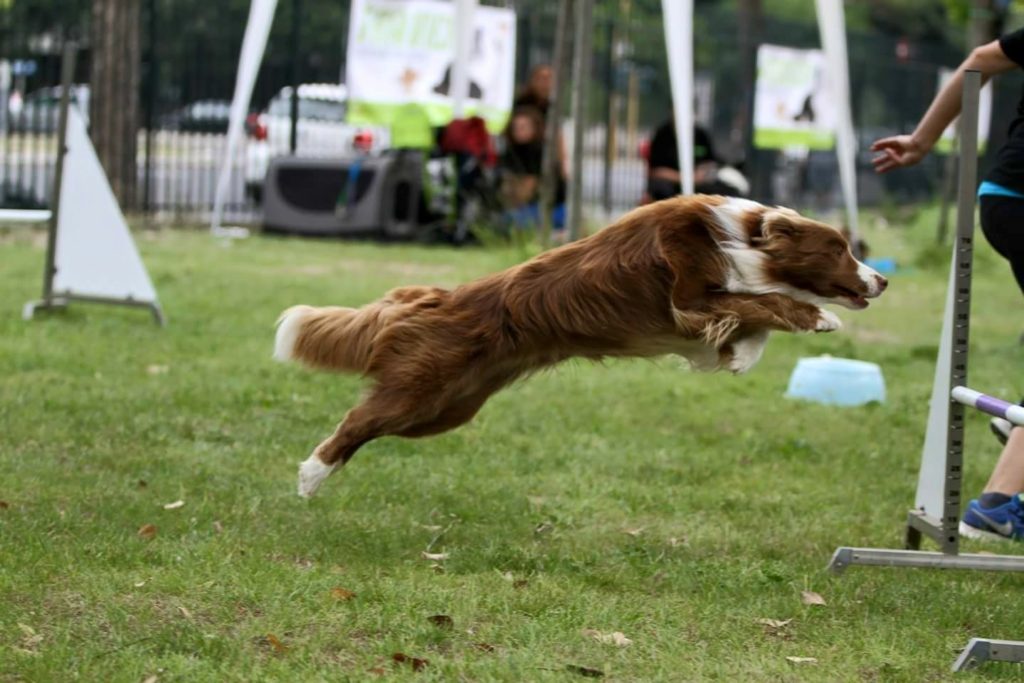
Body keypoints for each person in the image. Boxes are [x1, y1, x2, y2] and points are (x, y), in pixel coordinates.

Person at [872, 29, 1024, 541]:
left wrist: (921, 141)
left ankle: (1006, 470)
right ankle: (1000, 493)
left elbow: (981, 59)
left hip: (1003, 197)